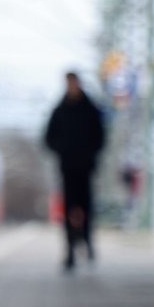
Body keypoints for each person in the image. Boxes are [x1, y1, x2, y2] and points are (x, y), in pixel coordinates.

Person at [43, 72, 106, 271]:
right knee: (68, 208)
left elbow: (100, 136)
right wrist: (62, 149)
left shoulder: (91, 110)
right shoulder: (59, 110)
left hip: (86, 167)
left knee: (86, 207)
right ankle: (70, 249)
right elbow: (48, 138)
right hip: (67, 167)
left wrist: (89, 152)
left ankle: (87, 241)